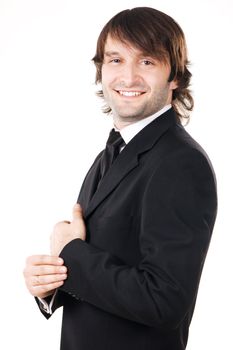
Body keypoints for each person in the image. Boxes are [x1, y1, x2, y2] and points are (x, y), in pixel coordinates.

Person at [23, 7, 217, 350]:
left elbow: (165, 301)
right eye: (115, 60)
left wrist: (71, 252)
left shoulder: (180, 163)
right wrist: (52, 287)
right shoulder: (111, 154)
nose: (128, 78)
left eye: (147, 61)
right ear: (101, 70)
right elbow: (107, 276)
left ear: (175, 76)